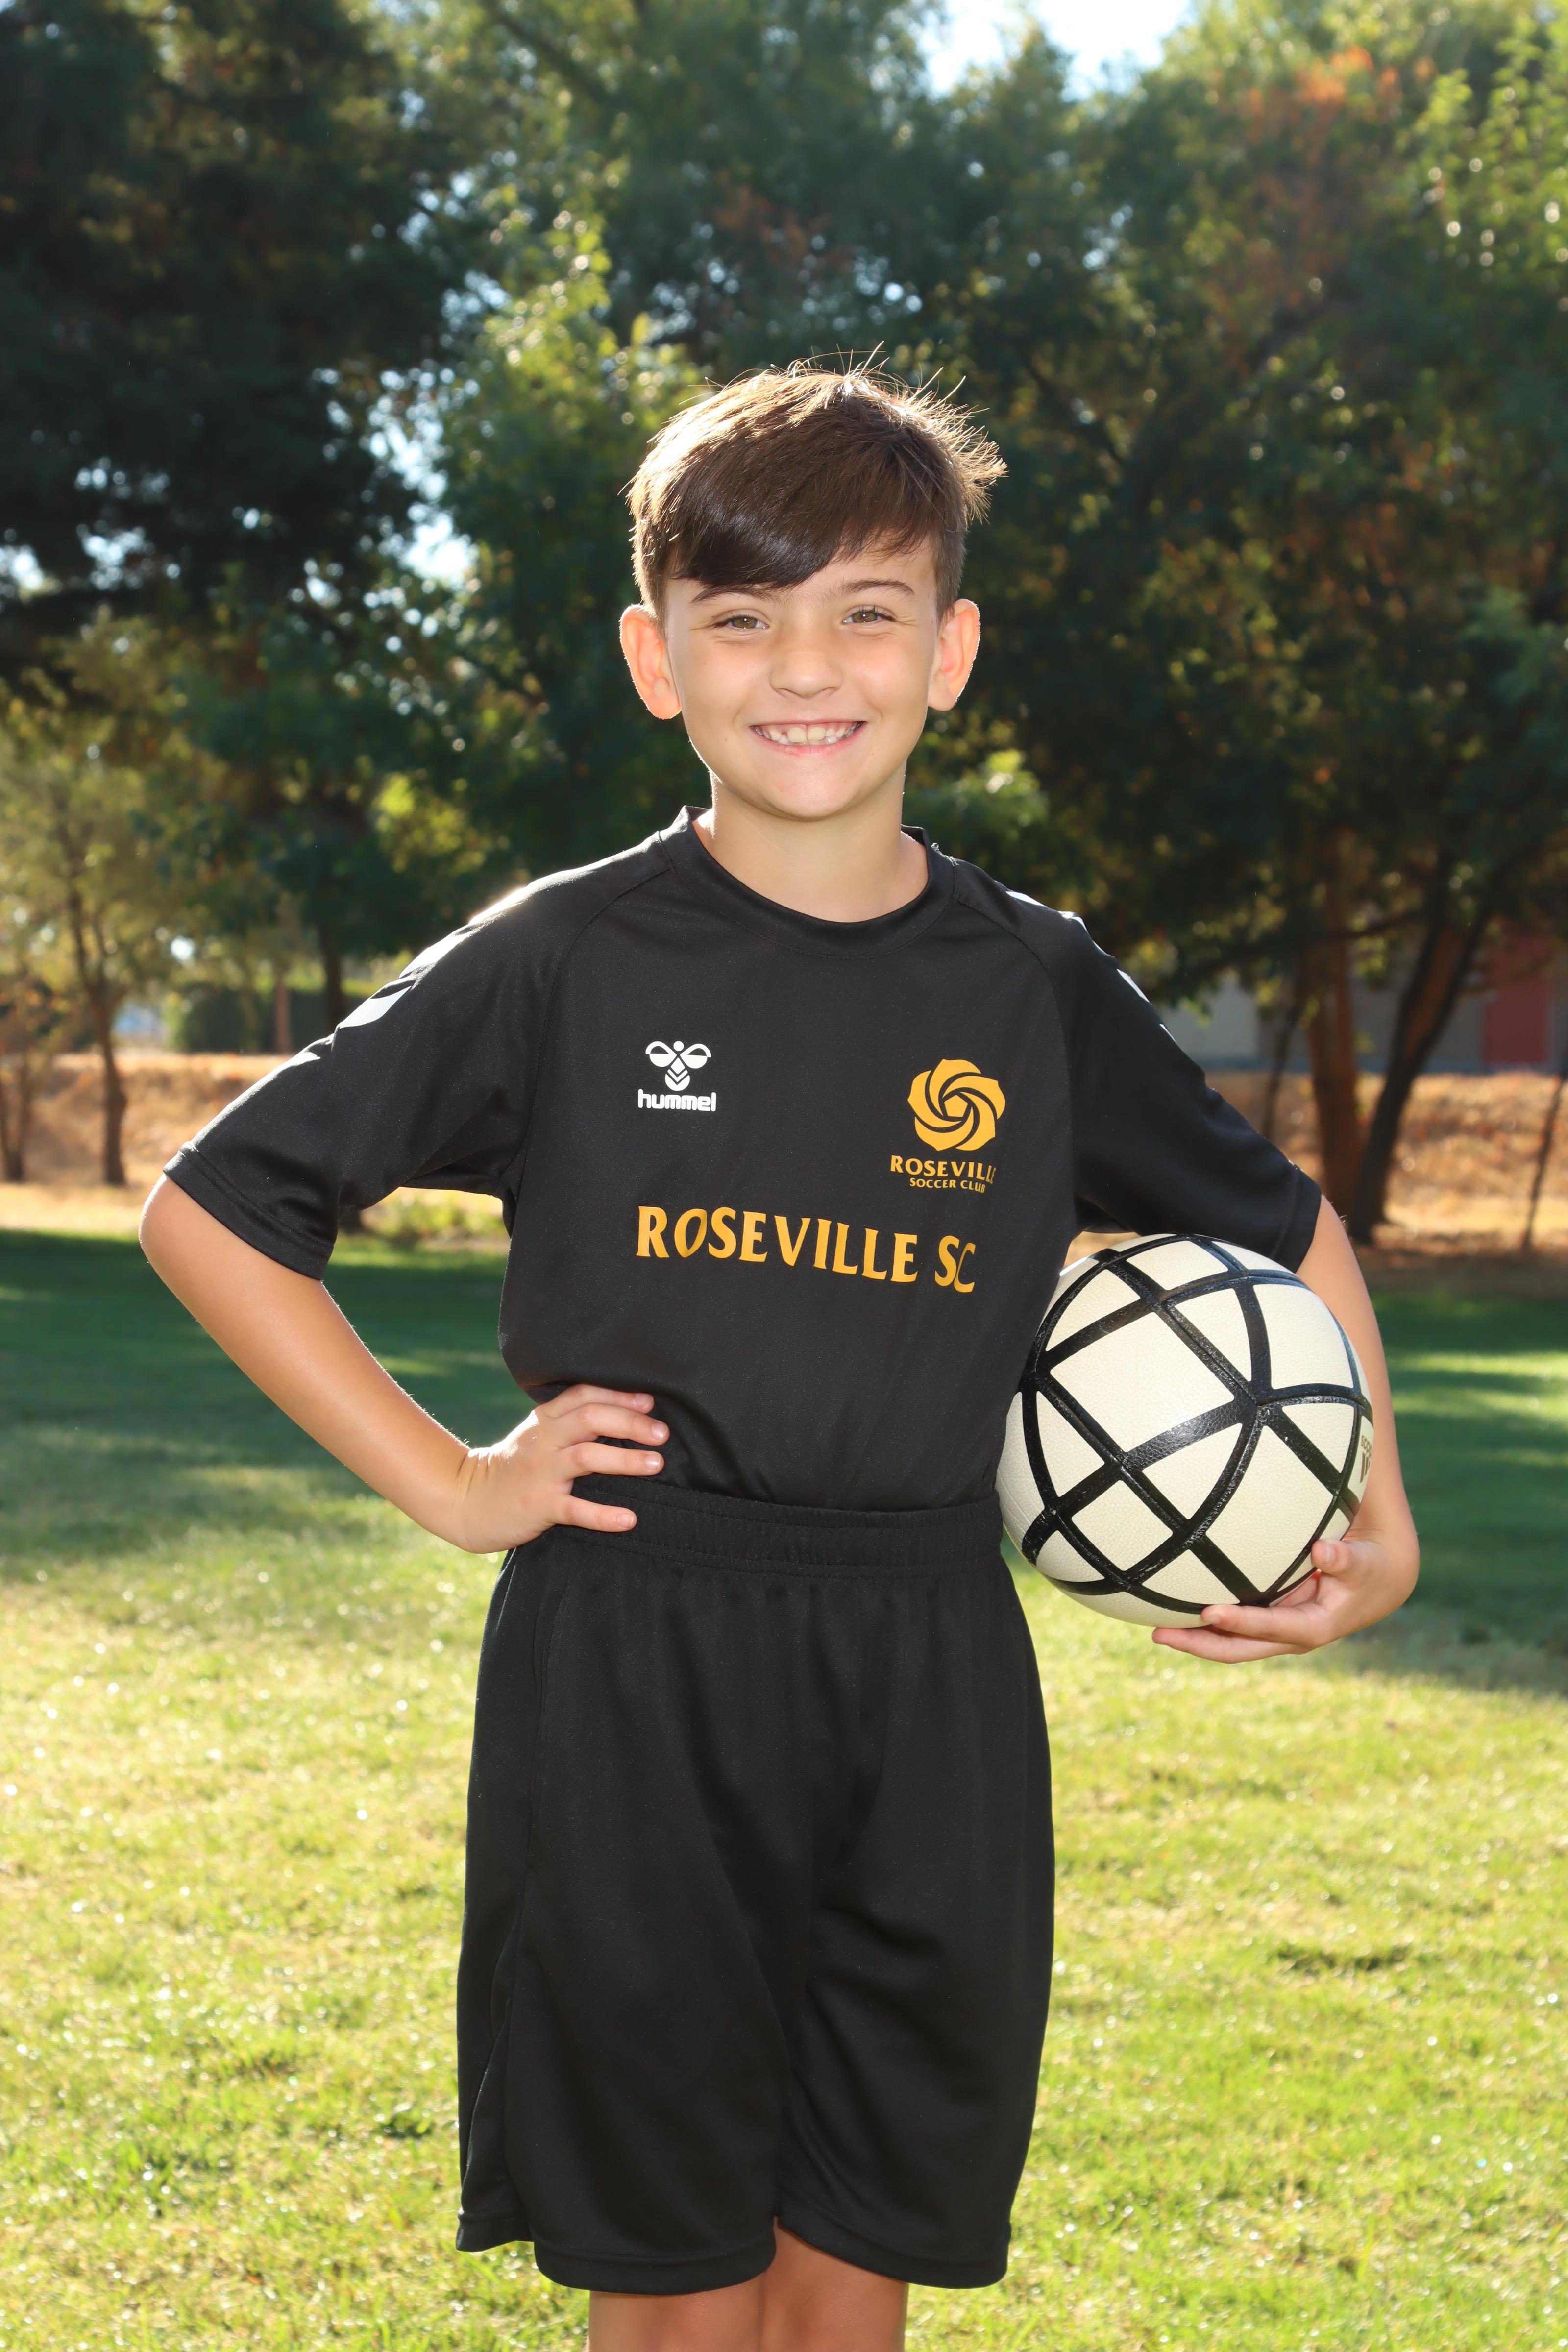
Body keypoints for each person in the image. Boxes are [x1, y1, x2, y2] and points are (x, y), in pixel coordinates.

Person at [140, 363, 1420, 2352]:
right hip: (638, 1659)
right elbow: (218, 1209)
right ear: (656, 658)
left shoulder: (1030, 984)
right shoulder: (567, 957)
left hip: (931, 1660)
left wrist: (1376, 1519)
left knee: (854, 2260)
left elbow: (1287, 1227)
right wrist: (457, 1482)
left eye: (866, 611)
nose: (805, 667)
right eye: (741, 617)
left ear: (950, 653)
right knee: (675, 2285)